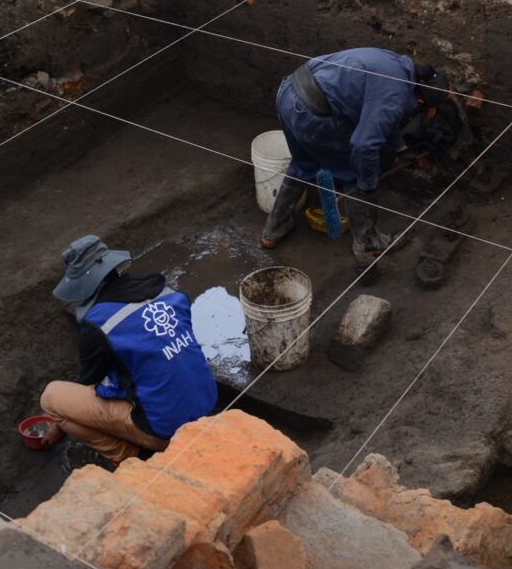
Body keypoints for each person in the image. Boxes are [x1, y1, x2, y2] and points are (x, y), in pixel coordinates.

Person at [260, 48, 456, 278]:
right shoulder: (395, 95)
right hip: (312, 116)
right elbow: (363, 146)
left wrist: (399, 146)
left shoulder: (396, 65)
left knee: (303, 165)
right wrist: (367, 183)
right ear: (421, 99)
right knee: (354, 172)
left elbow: (381, 109)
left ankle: (273, 229)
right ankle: (367, 242)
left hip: (289, 91)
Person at [40, 235, 217, 465]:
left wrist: (58, 427)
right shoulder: (168, 293)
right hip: (207, 407)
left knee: (52, 398)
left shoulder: (99, 325)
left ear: (82, 286)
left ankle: (129, 458)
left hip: (164, 430)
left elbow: (89, 381)